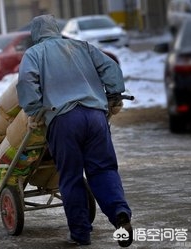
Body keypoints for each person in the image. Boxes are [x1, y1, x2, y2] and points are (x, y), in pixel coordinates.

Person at [16, 15, 133, 247]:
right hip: (95, 116)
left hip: (64, 120)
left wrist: (36, 110)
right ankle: (120, 212)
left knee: (70, 177)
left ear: (36, 33)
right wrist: (113, 95)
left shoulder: (34, 54)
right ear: (56, 29)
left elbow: (27, 83)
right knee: (103, 169)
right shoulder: (82, 46)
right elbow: (111, 68)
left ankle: (81, 233)